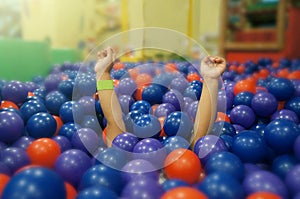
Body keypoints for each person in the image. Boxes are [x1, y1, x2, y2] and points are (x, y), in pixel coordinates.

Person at [94, 47, 226, 148]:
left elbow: (200, 139)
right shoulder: (125, 153)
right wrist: (103, 73)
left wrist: (210, 80)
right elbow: (113, 121)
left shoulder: (125, 155)